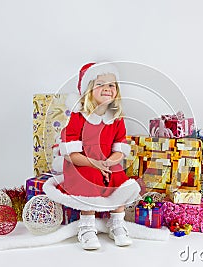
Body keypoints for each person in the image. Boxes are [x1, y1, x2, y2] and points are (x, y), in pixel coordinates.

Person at [43, 62, 140, 250]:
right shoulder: (78, 117)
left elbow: (119, 149)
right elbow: (71, 154)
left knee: (120, 178)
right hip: (81, 163)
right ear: (88, 91)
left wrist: (107, 163)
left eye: (111, 85)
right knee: (90, 177)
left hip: (105, 163)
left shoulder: (116, 118)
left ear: (117, 91)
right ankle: (87, 226)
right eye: (100, 84)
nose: (107, 88)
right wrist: (95, 164)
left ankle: (117, 223)